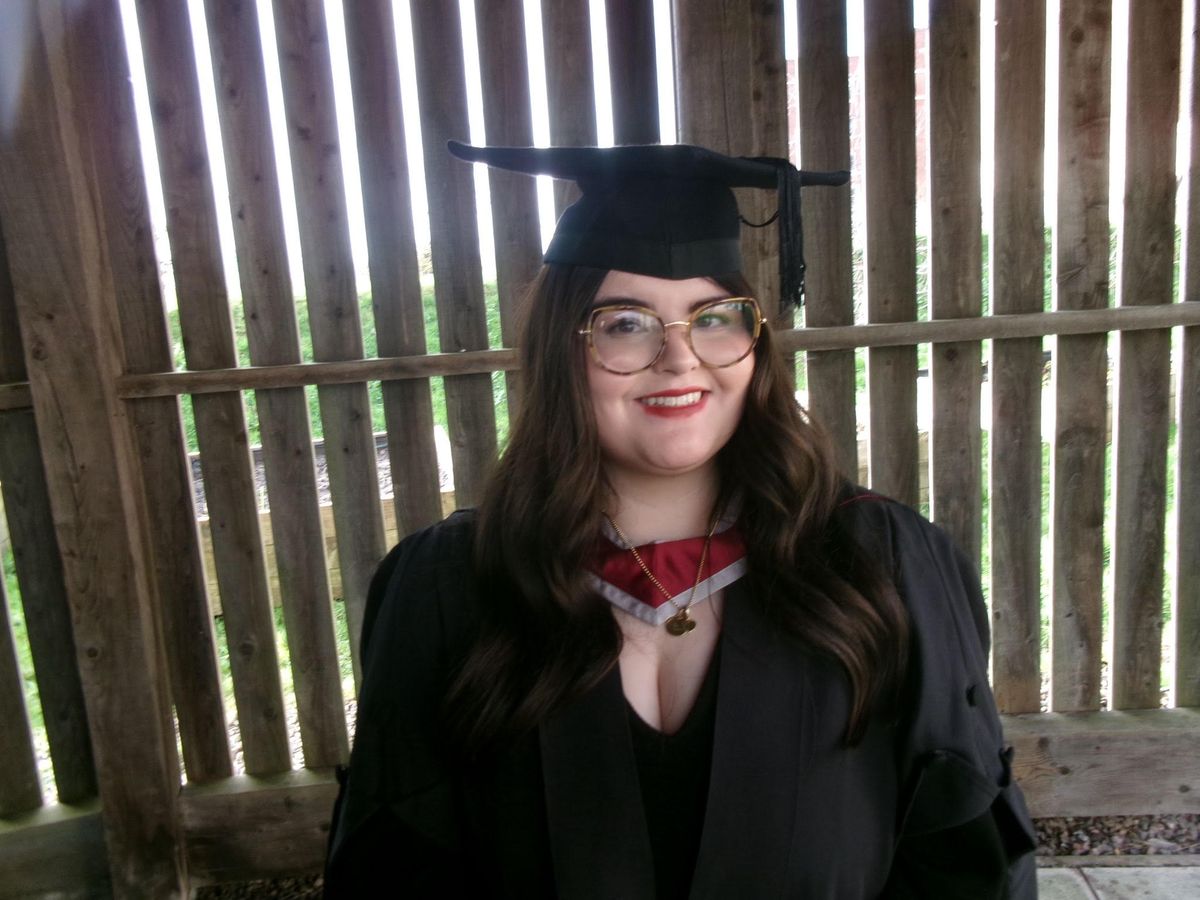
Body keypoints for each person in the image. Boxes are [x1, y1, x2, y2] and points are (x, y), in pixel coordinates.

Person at [323, 142, 1037, 898]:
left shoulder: (880, 565)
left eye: (715, 318)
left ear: (755, 342)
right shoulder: (449, 586)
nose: (680, 358)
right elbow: (393, 871)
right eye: (625, 325)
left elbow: (963, 861)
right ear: (563, 349)